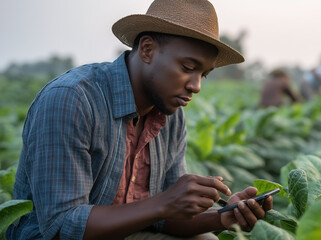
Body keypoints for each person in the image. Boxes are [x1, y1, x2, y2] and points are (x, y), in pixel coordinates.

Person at [7, 0, 273, 239]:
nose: (196, 86)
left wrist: (222, 216)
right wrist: (164, 203)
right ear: (147, 49)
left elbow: (164, 219)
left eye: (203, 75)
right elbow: (62, 227)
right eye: (188, 68)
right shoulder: (72, 100)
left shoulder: (171, 116)